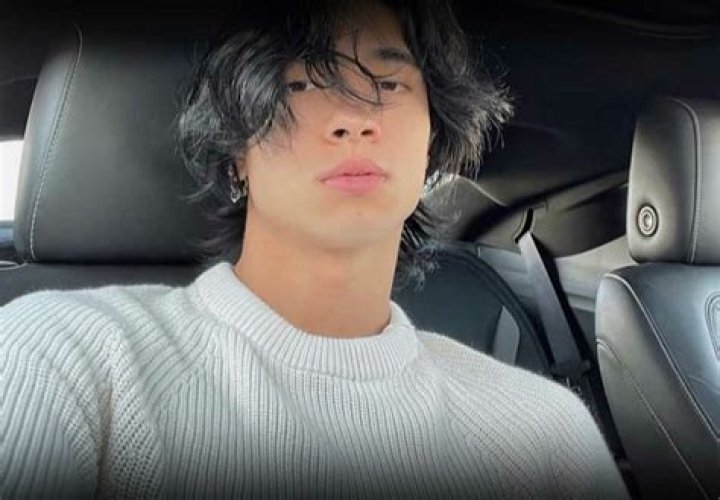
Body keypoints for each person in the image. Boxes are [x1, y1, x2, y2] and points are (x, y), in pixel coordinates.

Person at [1, 0, 630, 498]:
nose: (354, 117)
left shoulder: (544, 432)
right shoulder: (61, 355)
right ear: (236, 152)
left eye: (388, 83)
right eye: (301, 84)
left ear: (432, 140)